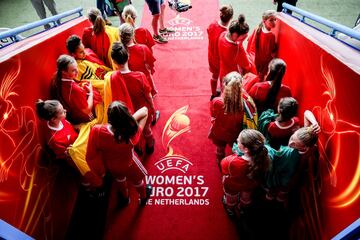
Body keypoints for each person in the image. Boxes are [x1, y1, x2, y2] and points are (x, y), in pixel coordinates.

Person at [234, 110, 320, 204]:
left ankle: (273, 200)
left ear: (304, 147)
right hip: (288, 170)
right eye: (292, 138)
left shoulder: (301, 152)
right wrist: (315, 123)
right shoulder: (306, 138)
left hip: (290, 173)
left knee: (280, 187)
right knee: (283, 189)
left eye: (295, 144)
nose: (290, 143)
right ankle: (279, 198)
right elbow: (306, 112)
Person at [86, 101, 152, 206]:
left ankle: (125, 198)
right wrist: (129, 121)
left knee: (119, 179)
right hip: (130, 165)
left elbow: (90, 155)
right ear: (127, 116)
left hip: (111, 165)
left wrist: (100, 171)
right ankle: (143, 197)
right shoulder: (132, 136)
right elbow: (144, 110)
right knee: (138, 181)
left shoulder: (96, 131)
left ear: (109, 118)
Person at [35, 99, 102, 187]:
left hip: (80, 147)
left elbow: (70, 127)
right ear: (54, 119)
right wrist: (70, 151)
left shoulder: (61, 120)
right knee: (84, 173)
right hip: (75, 160)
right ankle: (88, 186)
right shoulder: (54, 140)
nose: (65, 111)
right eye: (62, 112)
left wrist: (80, 127)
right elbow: (64, 155)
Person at [111, 41, 156, 154]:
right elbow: (149, 96)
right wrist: (152, 108)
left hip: (126, 114)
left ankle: (138, 148)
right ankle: (150, 145)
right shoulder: (139, 76)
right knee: (146, 130)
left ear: (114, 61)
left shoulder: (113, 77)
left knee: (132, 132)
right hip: (142, 110)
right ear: (128, 56)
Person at [208, 72, 257, 164]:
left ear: (224, 85)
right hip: (235, 134)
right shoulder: (245, 104)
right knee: (236, 151)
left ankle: (220, 162)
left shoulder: (217, 102)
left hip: (219, 131)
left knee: (220, 149)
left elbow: (213, 115)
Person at [221, 129, 271, 216]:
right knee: (246, 198)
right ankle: (242, 208)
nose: (237, 140)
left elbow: (223, 167)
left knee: (231, 199)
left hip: (233, 186)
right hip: (250, 185)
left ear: (246, 149)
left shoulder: (232, 161)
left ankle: (230, 209)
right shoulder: (265, 158)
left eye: (239, 140)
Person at [119, 23, 158, 97]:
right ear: (133, 34)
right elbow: (151, 63)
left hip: (128, 81)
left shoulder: (118, 50)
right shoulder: (143, 48)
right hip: (144, 79)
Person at [218, 14, 255, 90]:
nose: (246, 37)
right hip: (233, 79)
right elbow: (247, 66)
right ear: (235, 35)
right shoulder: (237, 49)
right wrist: (241, 44)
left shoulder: (222, 35)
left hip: (222, 73)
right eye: (244, 36)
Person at [207, 4, 234, 100]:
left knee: (214, 75)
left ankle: (213, 93)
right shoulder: (226, 34)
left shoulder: (212, 24)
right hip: (221, 61)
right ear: (230, 18)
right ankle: (222, 97)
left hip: (211, 57)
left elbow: (208, 32)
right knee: (223, 79)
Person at [247, 10, 277, 81]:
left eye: (275, 20)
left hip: (256, 60)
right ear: (264, 21)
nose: (274, 22)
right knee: (260, 79)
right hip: (264, 63)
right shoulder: (271, 36)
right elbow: (271, 51)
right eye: (271, 20)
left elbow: (249, 39)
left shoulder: (258, 29)